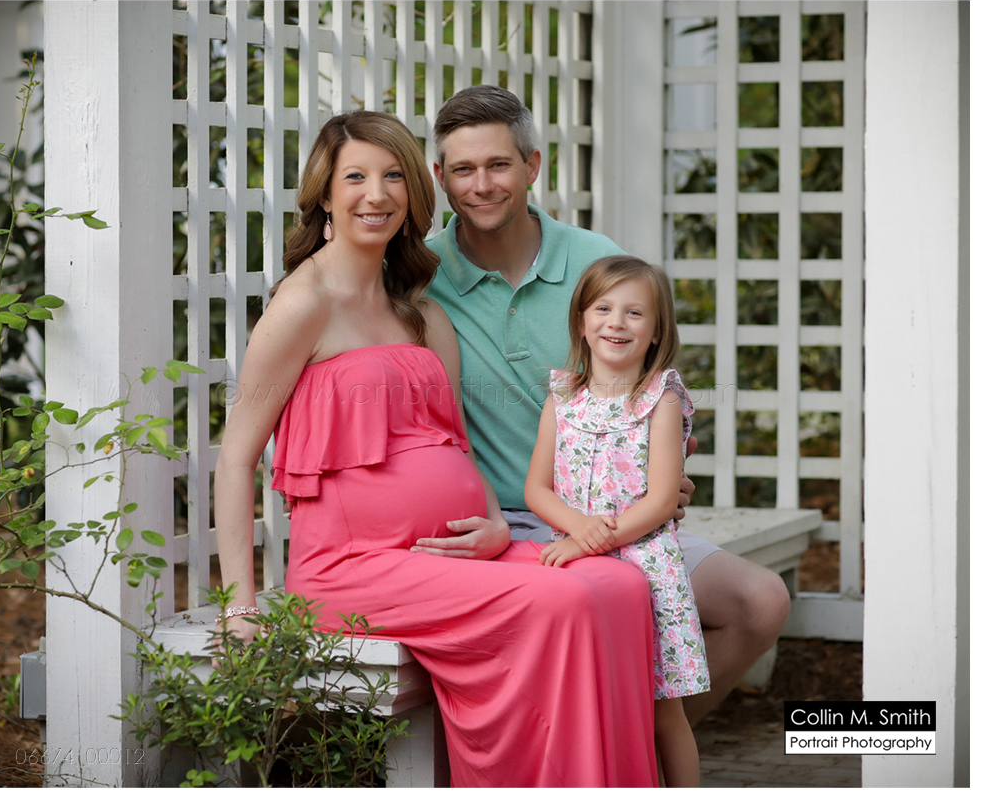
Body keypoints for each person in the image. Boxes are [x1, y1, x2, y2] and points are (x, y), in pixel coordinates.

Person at [214, 110, 659, 787]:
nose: (377, 194)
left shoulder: (420, 311)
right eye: (355, 177)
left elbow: (458, 445)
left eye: (393, 176)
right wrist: (240, 605)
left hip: (448, 551)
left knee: (621, 586)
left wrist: (494, 523)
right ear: (324, 195)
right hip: (349, 567)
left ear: (415, 192)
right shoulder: (303, 304)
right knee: (564, 603)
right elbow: (235, 458)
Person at [419, 84, 792, 725]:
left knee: (760, 603)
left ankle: (635, 754)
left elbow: (646, 395)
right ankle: (609, 755)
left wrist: (666, 474)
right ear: (440, 177)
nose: (481, 185)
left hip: (615, 518)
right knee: (589, 616)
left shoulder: (595, 259)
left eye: (499, 164)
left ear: (533, 166)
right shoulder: (422, 277)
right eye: (463, 169)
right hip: (504, 521)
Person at [525, 256, 709, 787]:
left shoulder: (660, 399)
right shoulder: (563, 397)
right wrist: (576, 530)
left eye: (635, 313)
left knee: (662, 712)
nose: (617, 323)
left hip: (647, 569)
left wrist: (590, 541)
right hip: (579, 566)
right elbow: (536, 489)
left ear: (656, 331)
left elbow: (660, 501)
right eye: (603, 308)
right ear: (582, 321)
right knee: (593, 696)